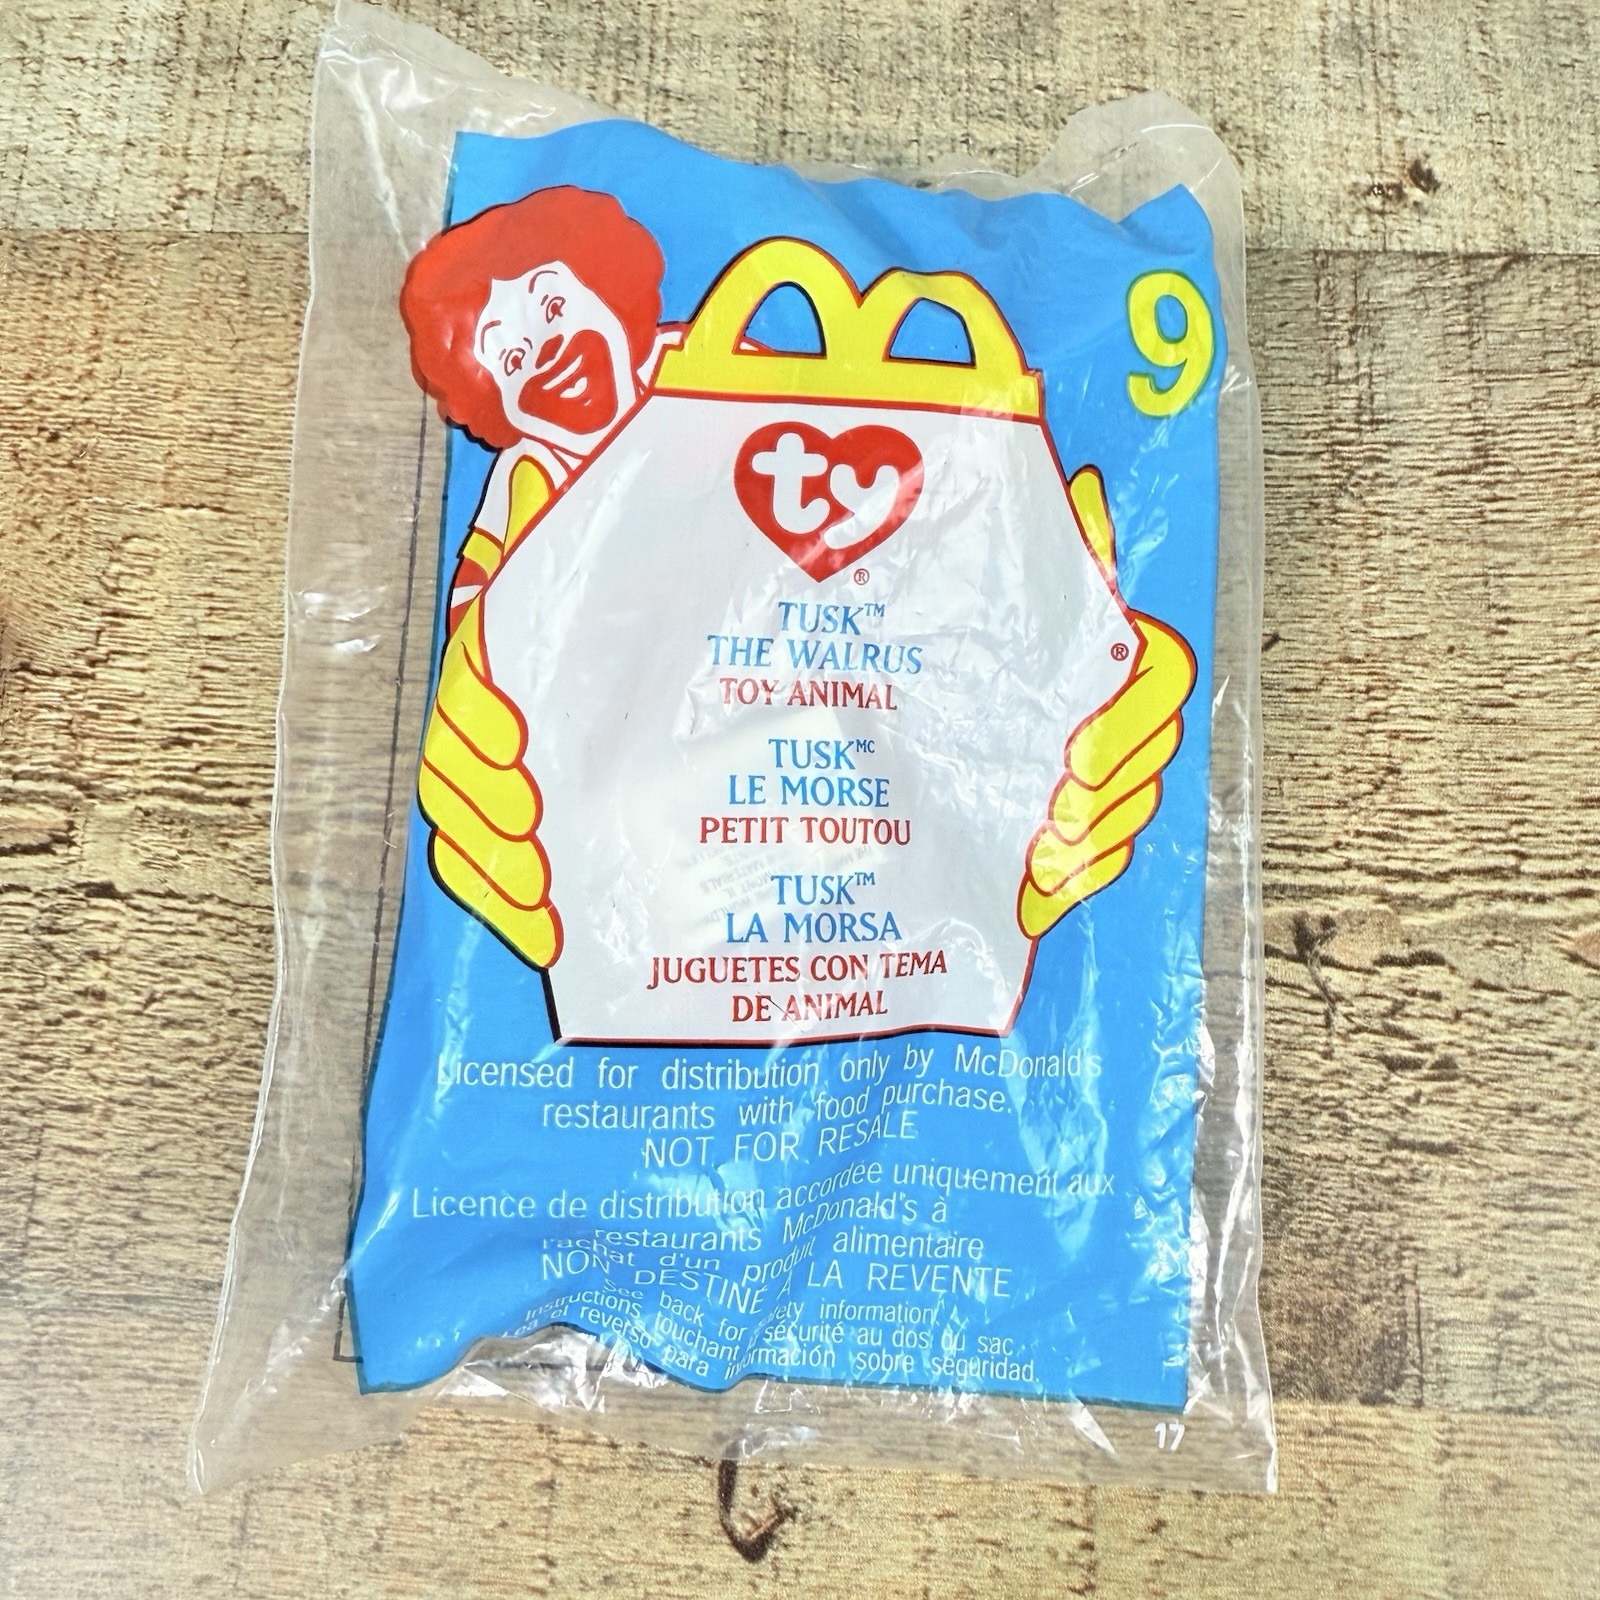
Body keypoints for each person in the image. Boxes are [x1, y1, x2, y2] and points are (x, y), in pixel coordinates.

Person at [398, 187, 1195, 974]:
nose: (544, 349)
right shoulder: (525, 489)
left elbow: (852, 469)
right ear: (494, 399)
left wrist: (1073, 640)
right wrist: (486, 727)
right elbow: (483, 670)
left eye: (551, 304)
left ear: (604, 288)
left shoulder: (714, 364)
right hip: (647, 818)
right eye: (508, 355)